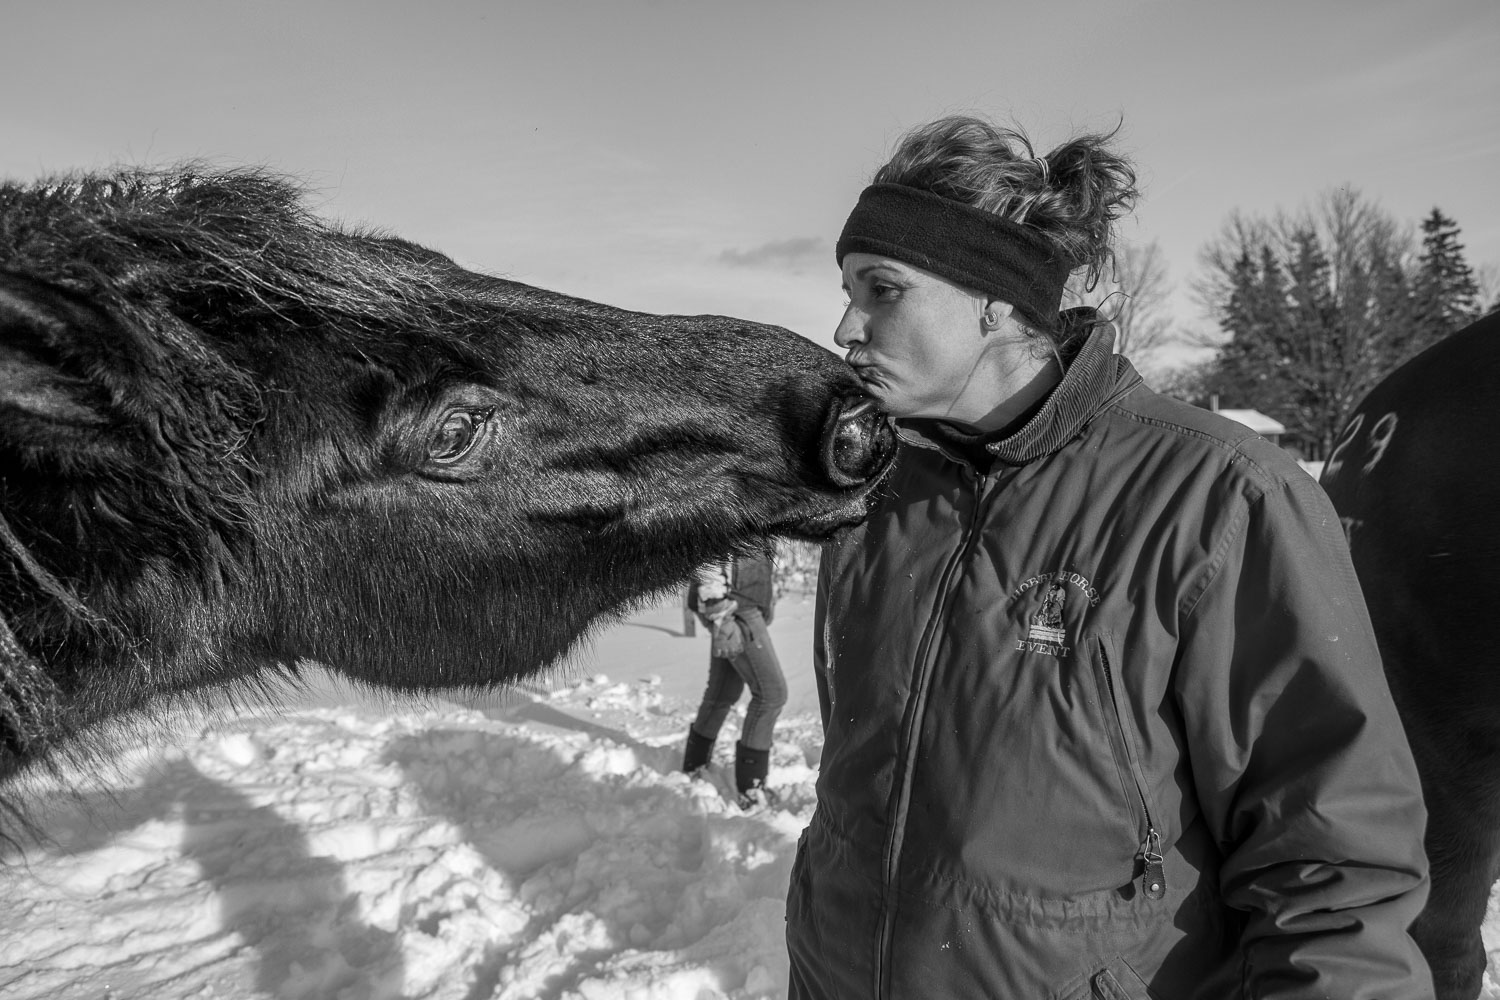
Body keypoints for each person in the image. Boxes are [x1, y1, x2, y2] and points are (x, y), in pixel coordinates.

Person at [787, 115, 1434, 999]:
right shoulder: (879, 497)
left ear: (996, 299)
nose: (844, 325)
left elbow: (1334, 861)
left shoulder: (1221, 497)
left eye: (882, 289)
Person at [682, 547, 785, 808]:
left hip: (740, 602)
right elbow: (707, 540)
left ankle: (694, 767)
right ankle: (752, 789)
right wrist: (720, 613)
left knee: (723, 692)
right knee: (771, 694)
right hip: (734, 606)